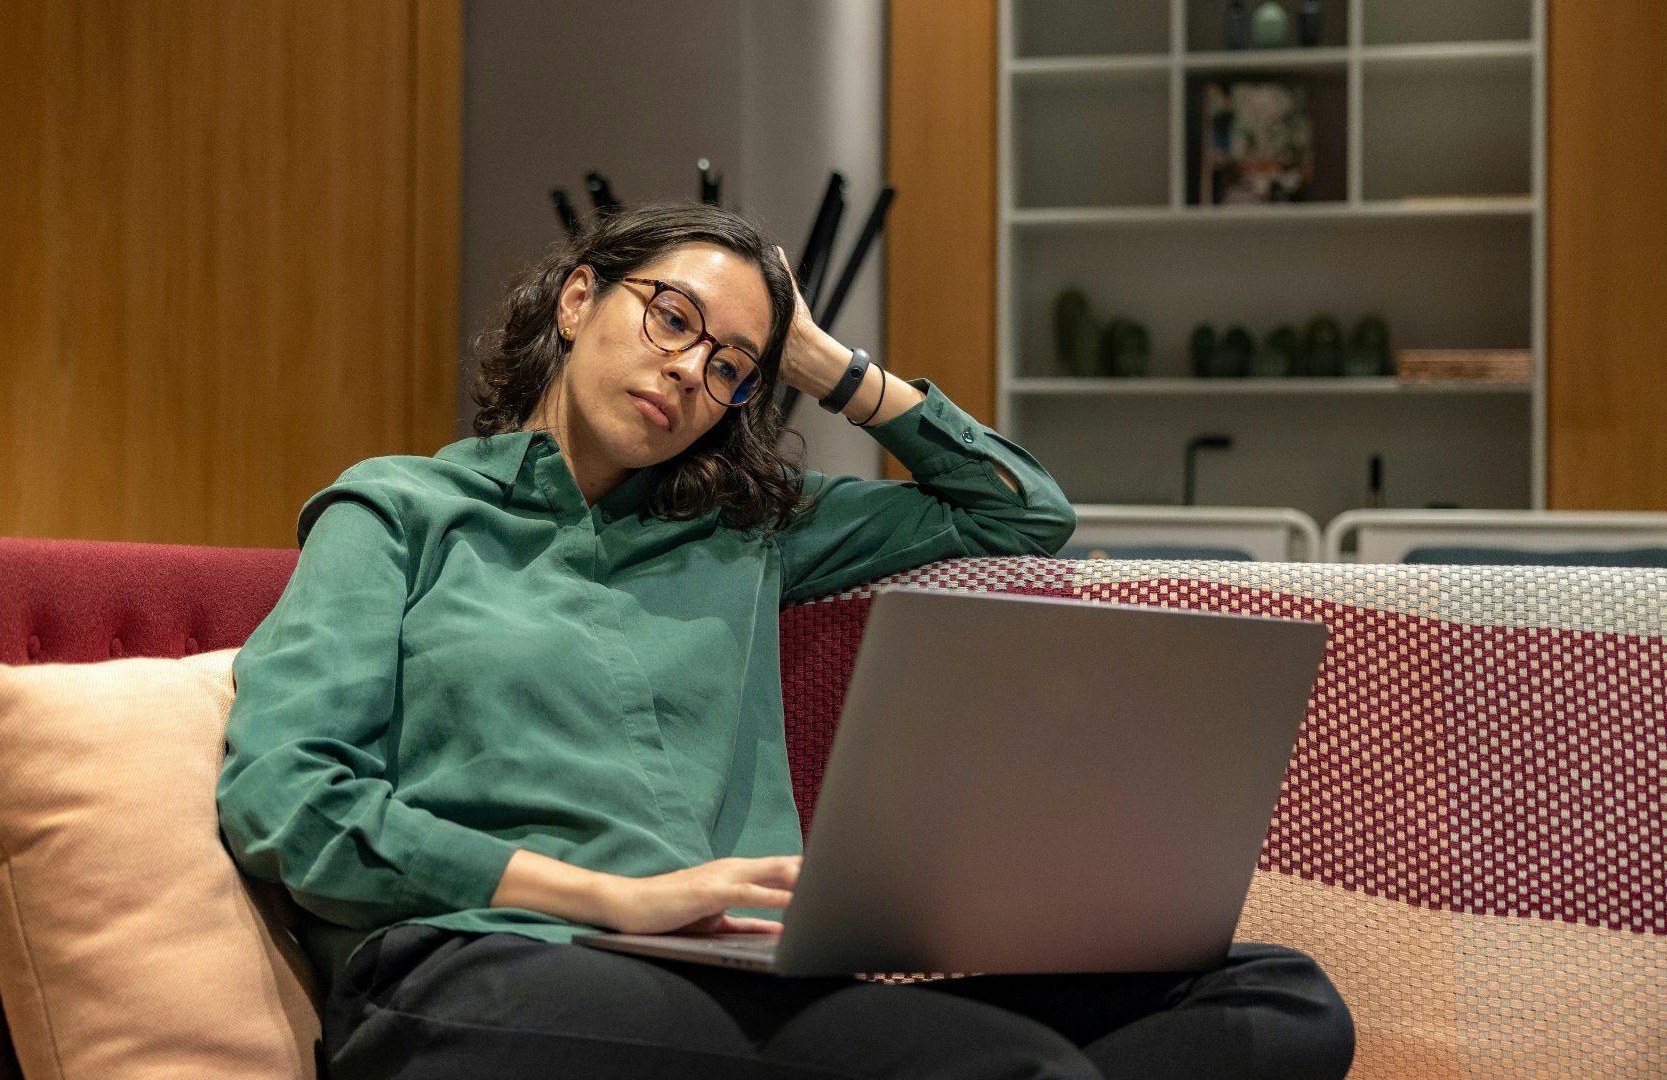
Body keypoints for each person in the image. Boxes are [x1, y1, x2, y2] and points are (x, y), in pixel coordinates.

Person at [217, 202, 1354, 1080]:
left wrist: (828, 365)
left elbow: (1021, 512)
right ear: (576, 301)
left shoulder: (742, 537)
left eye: (729, 368)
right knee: (1007, 1068)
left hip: (729, 967)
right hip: (478, 968)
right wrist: (612, 900)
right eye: (671, 317)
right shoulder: (398, 511)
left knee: (1278, 1008)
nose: (688, 368)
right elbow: (287, 799)